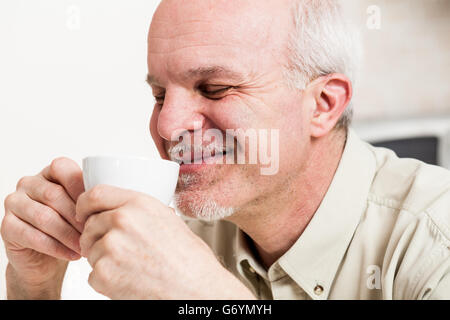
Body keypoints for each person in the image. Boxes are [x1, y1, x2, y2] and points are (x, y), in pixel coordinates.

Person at [2, 0, 449, 300]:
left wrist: (207, 293)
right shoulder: (188, 229)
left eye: (214, 89)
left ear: (323, 105)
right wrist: (34, 286)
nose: (168, 125)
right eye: (159, 95)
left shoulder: (435, 245)